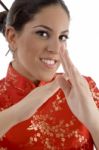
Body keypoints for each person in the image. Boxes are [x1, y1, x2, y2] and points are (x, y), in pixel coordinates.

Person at [0, 0, 99, 149]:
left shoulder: (83, 90)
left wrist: (94, 121)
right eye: (43, 33)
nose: (55, 48)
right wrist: (15, 113)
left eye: (62, 37)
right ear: (12, 37)